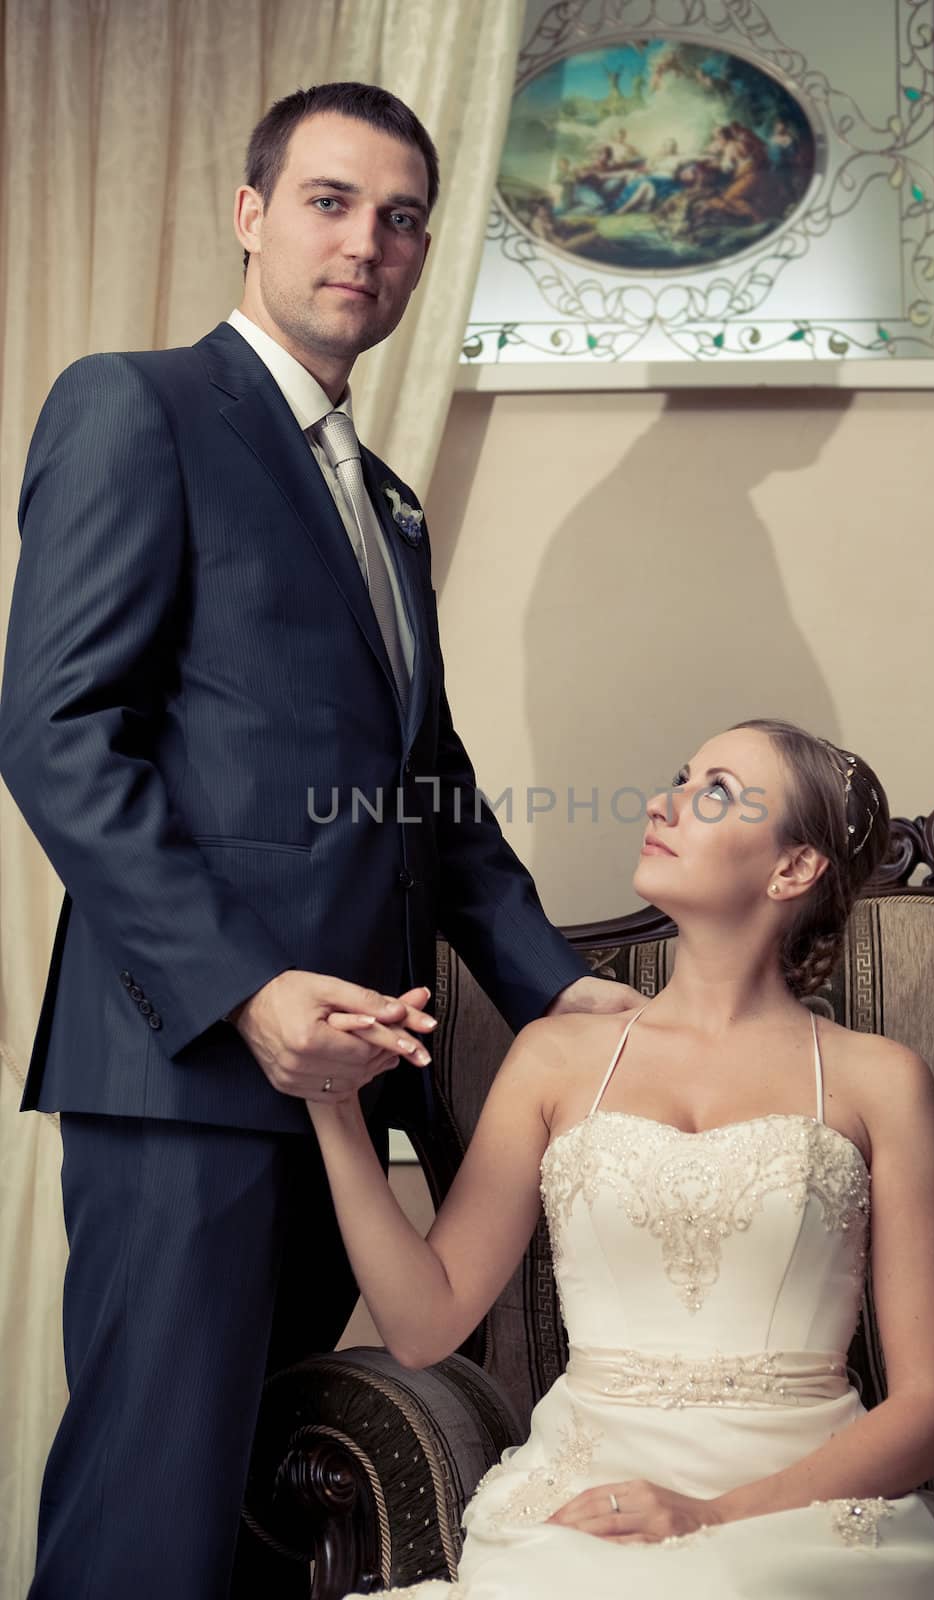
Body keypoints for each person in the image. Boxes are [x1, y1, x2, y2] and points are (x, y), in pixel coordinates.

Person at [0, 81, 640, 1600]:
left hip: (350, 1088)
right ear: (250, 215)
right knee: (153, 1508)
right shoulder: (135, 402)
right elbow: (55, 733)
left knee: (249, 1516)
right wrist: (247, 991)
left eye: (402, 218)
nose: (368, 241)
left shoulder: (388, 500)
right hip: (197, 1069)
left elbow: (425, 782)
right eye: (330, 202)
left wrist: (559, 989)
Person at [309, 718, 934, 1599]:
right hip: (586, 1495)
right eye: (679, 778)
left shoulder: (881, 1082)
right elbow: (424, 1324)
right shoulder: (555, 1056)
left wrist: (716, 1515)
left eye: (717, 793)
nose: (660, 803)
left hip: (804, 1506)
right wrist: (333, 1105)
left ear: (792, 868)